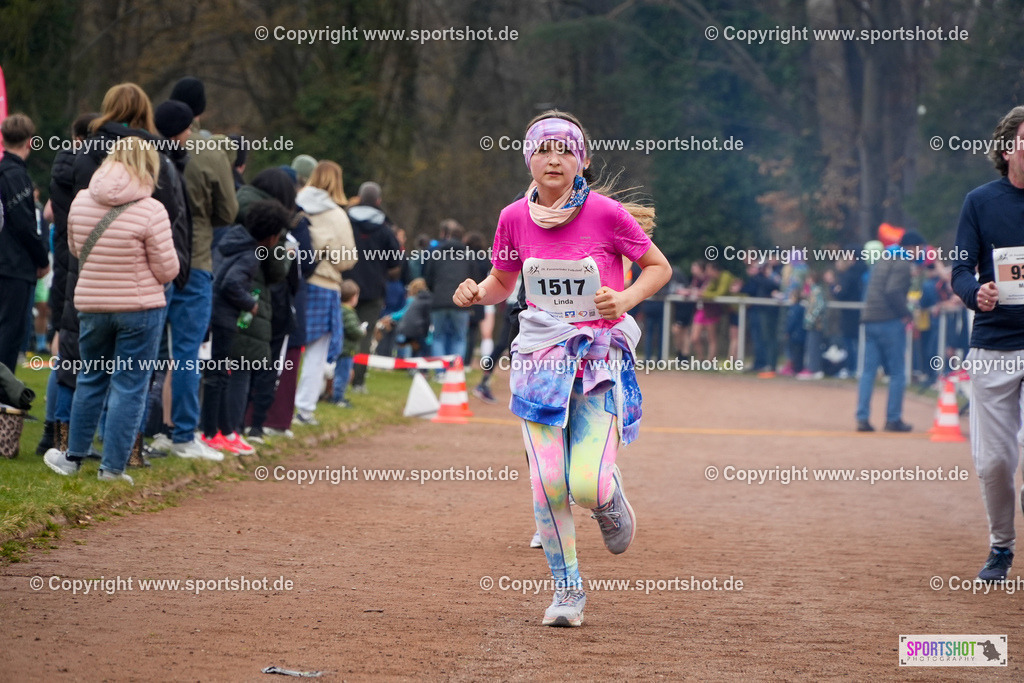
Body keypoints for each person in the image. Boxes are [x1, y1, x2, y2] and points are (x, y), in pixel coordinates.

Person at [453, 111, 671, 627]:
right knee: (549, 483)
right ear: (528, 156)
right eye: (544, 149)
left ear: (583, 159)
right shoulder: (512, 217)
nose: (554, 159)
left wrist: (625, 297)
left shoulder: (608, 213)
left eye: (566, 149)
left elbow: (658, 267)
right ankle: (567, 592)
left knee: (586, 485)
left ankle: (609, 497)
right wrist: (476, 292)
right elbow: (504, 282)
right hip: (539, 364)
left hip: (597, 360)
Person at [44, 137, 179, 483]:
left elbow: (75, 249)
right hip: (139, 308)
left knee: (90, 378)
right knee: (129, 386)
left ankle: (73, 457)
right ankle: (112, 468)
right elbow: (167, 270)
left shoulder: (81, 201)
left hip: (92, 304)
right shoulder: (152, 210)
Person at [951, 105, 1024, 582]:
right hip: (994, 344)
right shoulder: (980, 202)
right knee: (994, 462)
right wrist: (976, 292)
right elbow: (960, 269)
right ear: (1008, 148)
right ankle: (1001, 547)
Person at [200, 200, 287, 450]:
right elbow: (231, 284)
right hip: (225, 318)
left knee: (220, 376)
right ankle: (210, 433)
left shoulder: (233, 239)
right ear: (272, 237)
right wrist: (251, 303)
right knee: (217, 377)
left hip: (215, 313)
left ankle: (226, 432)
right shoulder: (251, 256)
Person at [292, 161, 358, 425]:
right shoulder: (336, 215)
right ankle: (304, 408)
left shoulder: (296, 202)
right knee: (317, 353)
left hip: (295, 281)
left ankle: (277, 404)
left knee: (288, 348)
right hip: (325, 284)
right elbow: (347, 259)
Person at [855, 230, 926, 432]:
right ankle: (893, 419)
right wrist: (906, 314)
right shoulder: (902, 264)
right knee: (897, 372)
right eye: (919, 249)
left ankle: (862, 417)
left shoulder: (883, 260)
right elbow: (893, 291)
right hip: (889, 321)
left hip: (870, 319)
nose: (920, 253)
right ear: (911, 248)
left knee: (868, 372)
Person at [0, 114, 50, 374]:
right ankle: (3, 397)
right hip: (14, 266)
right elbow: (25, 225)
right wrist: (42, 258)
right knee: (10, 334)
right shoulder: (17, 176)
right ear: (30, 141)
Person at [343, 182, 403, 393]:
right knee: (365, 335)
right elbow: (396, 263)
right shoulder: (385, 229)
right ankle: (358, 382)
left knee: (340, 332)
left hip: (345, 287)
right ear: (378, 201)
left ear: (358, 198)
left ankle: (335, 379)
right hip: (373, 289)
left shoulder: (346, 221)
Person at [425, 219, 477, 368]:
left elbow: (428, 278)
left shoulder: (436, 253)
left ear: (447, 236)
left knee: (438, 337)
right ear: (463, 238)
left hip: (439, 301)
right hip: (462, 302)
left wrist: (435, 292)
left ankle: (440, 372)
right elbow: (476, 280)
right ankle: (455, 371)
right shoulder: (469, 256)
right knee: (459, 337)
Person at [331, 280, 366, 407]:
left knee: (340, 374)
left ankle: (336, 395)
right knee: (343, 375)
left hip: (341, 348)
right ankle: (338, 398)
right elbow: (352, 330)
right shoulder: (348, 312)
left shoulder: (339, 309)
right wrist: (361, 331)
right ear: (353, 297)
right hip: (346, 350)